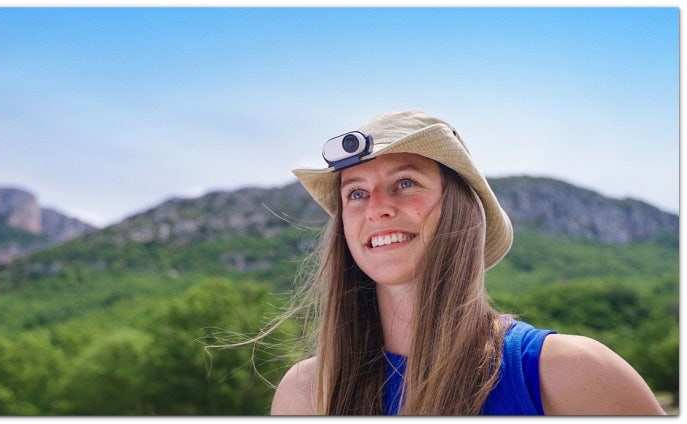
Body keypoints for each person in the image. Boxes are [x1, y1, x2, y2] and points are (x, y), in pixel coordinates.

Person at [268, 110, 665, 415]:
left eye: (405, 183)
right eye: (355, 193)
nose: (376, 209)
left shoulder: (571, 374)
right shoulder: (305, 395)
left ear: (460, 211)